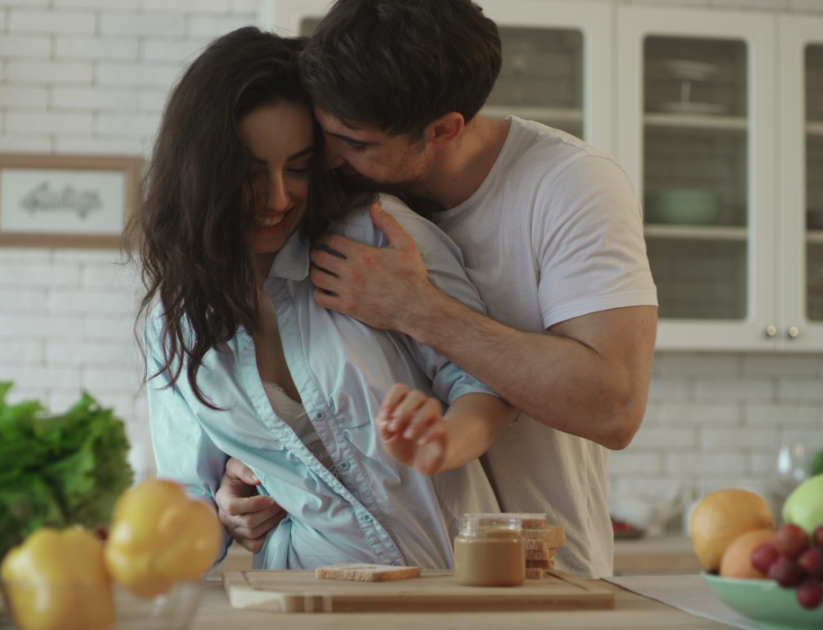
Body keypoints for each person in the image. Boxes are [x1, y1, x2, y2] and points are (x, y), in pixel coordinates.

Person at [217, 0, 658, 578]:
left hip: (544, 574)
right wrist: (246, 476)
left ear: (444, 130)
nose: (327, 159)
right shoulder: (334, 202)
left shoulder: (569, 186)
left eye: (354, 142)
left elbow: (614, 407)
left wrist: (420, 310)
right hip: (394, 580)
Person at [135, 26, 516, 571]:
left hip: (452, 583)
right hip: (305, 590)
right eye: (248, 173)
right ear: (201, 174)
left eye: (298, 166)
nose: (279, 196)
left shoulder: (376, 236)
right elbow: (188, 494)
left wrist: (444, 444)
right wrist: (220, 514)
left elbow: (487, 382)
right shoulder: (176, 325)